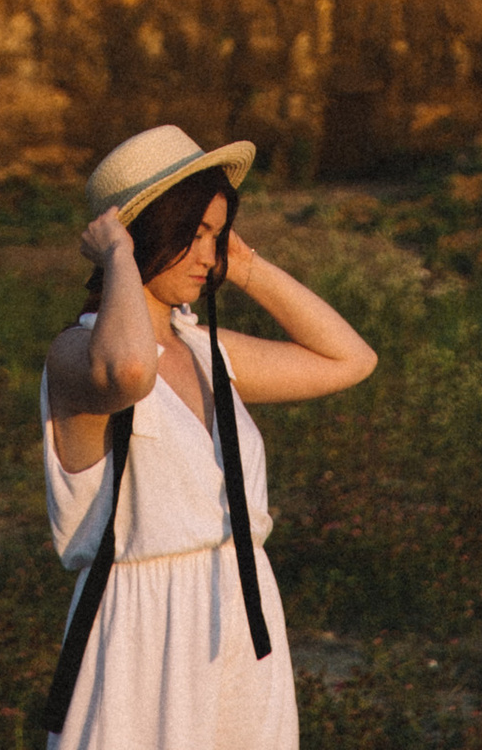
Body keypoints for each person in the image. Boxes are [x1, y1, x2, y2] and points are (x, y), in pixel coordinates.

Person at [40, 122, 377, 748]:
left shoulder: (206, 349)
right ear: (142, 234)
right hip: (141, 636)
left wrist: (247, 266)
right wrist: (117, 256)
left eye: (216, 236)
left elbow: (350, 361)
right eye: (192, 235)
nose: (208, 256)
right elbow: (131, 371)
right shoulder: (75, 355)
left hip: (239, 617)